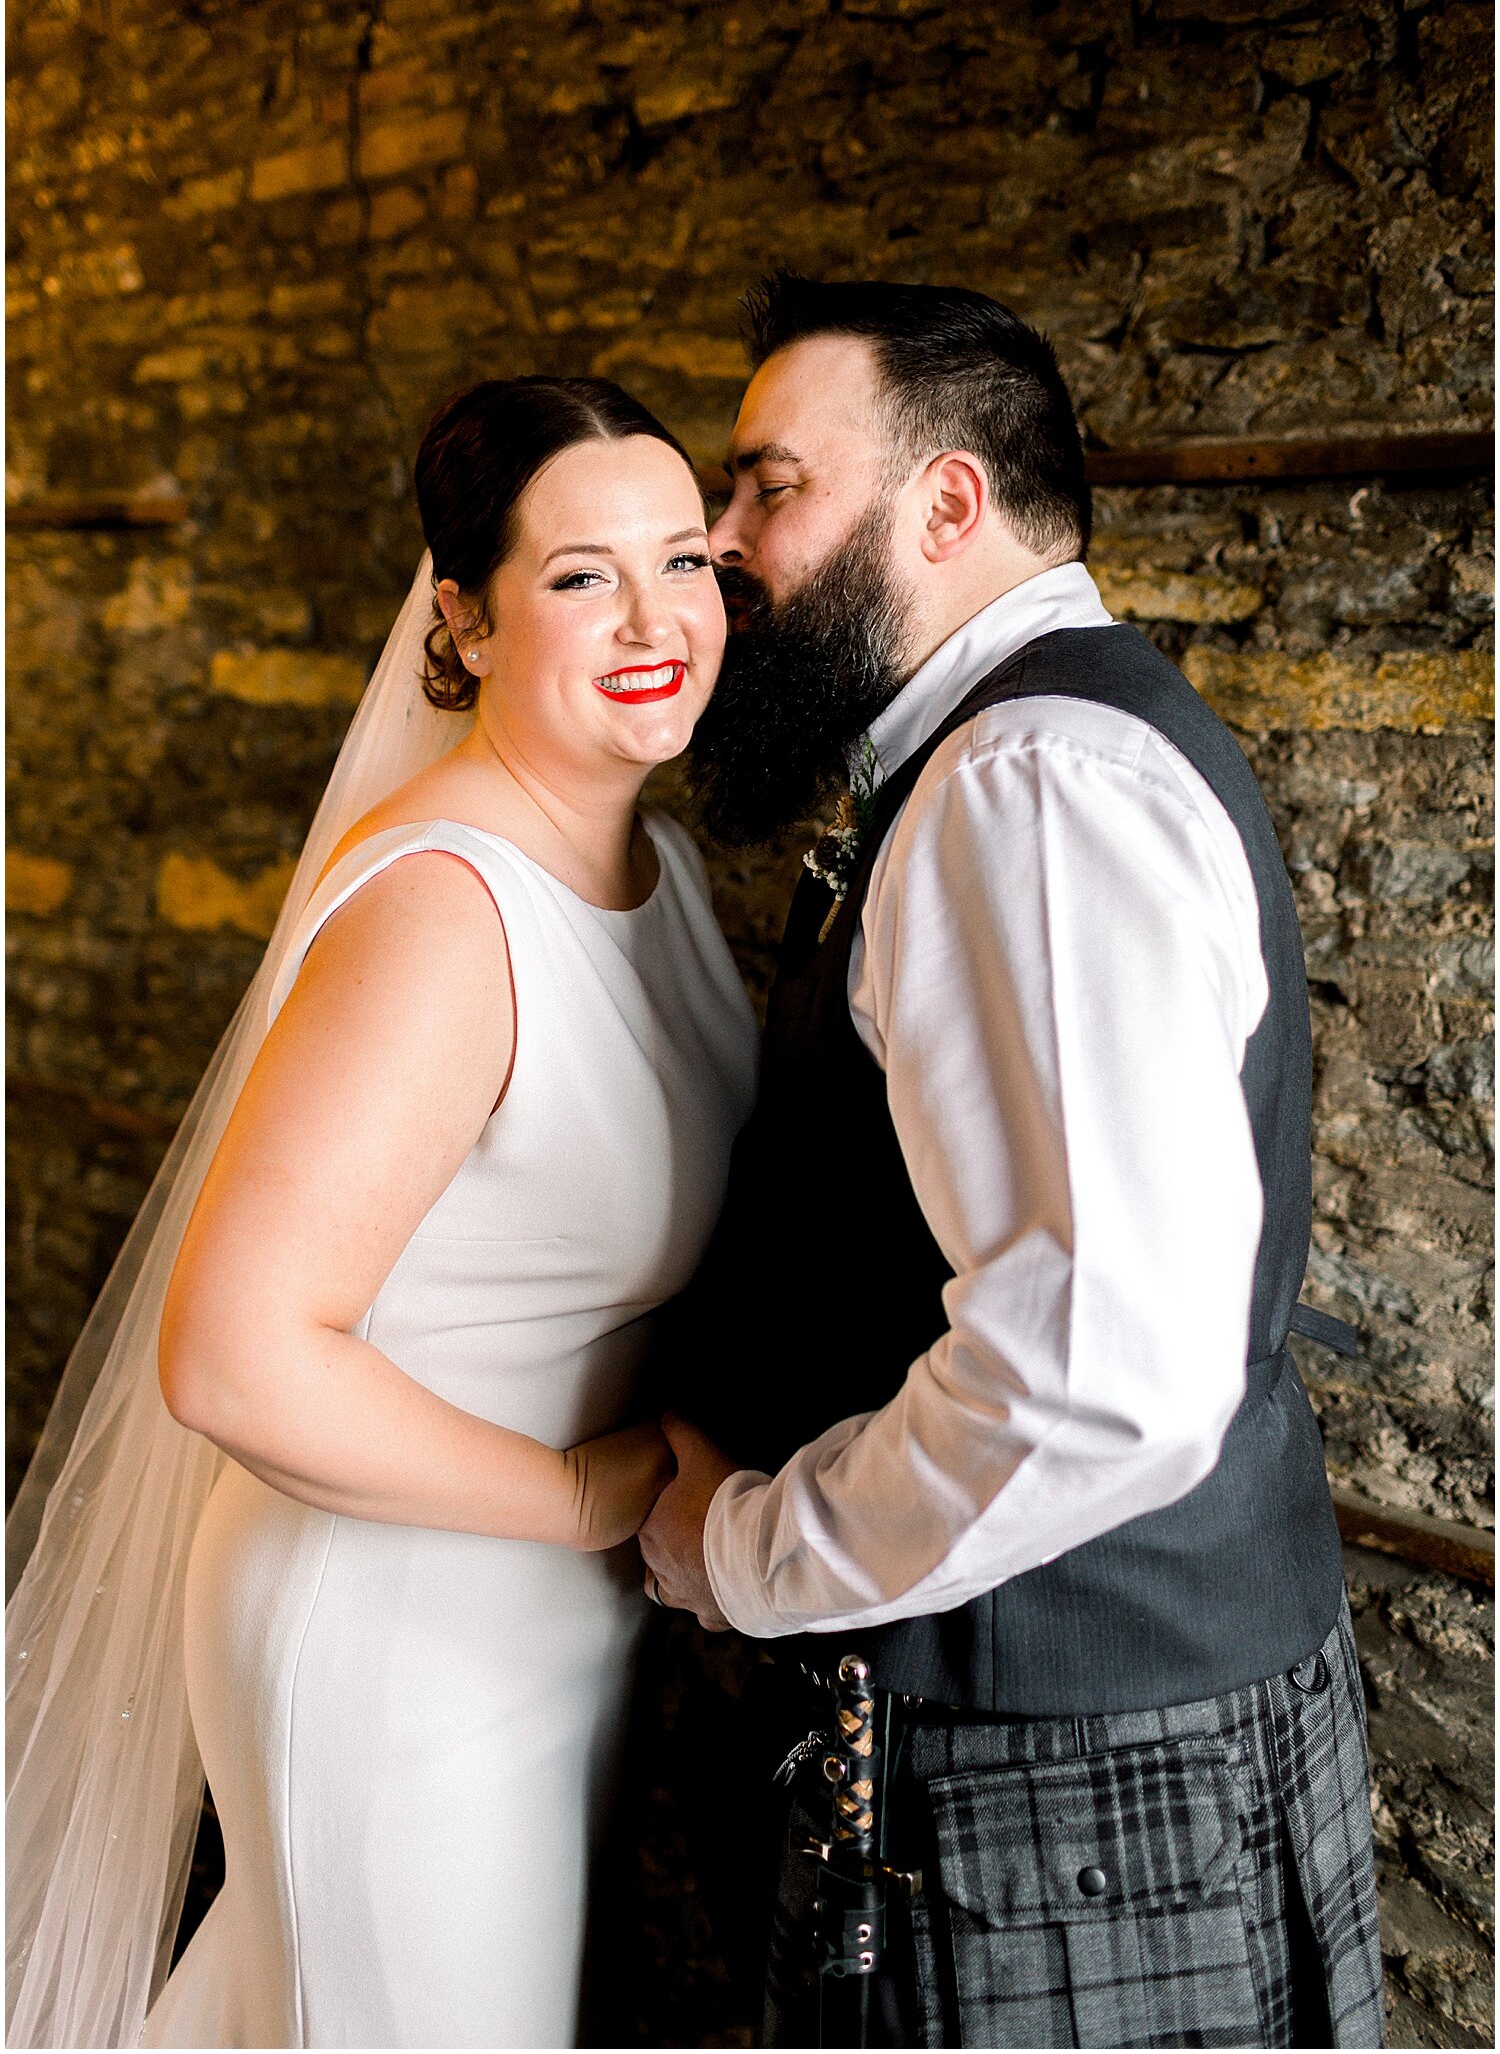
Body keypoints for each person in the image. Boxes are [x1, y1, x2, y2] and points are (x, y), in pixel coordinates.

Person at [639, 275, 1386, 2049]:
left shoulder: (1023, 789)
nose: (721, 545)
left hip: (1064, 1798)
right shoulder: (999, 763)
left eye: (768, 488)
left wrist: (743, 1551)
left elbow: (1094, 1376)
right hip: (1108, 1757)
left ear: (948, 502)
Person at [6, 377, 757, 2050]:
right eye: (579, 577)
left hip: (540, 1623)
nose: (656, 619)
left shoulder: (661, 873)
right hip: (394, 1631)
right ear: (463, 622)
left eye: (686, 560)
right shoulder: (445, 907)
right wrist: (582, 1491)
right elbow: (234, 1358)